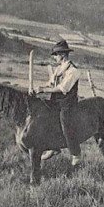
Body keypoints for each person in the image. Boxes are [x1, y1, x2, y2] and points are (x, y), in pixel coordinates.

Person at [35, 39, 82, 167]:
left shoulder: (73, 71)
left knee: (64, 120)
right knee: (42, 115)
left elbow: (62, 88)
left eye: (55, 55)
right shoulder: (58, 69)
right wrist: (38, 88)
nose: (54, 57)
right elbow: (51, 83)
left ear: (62, 55)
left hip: (68, 104)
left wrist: (44, 90)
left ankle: (76, 153)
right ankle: (53, 146)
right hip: (55, 101)